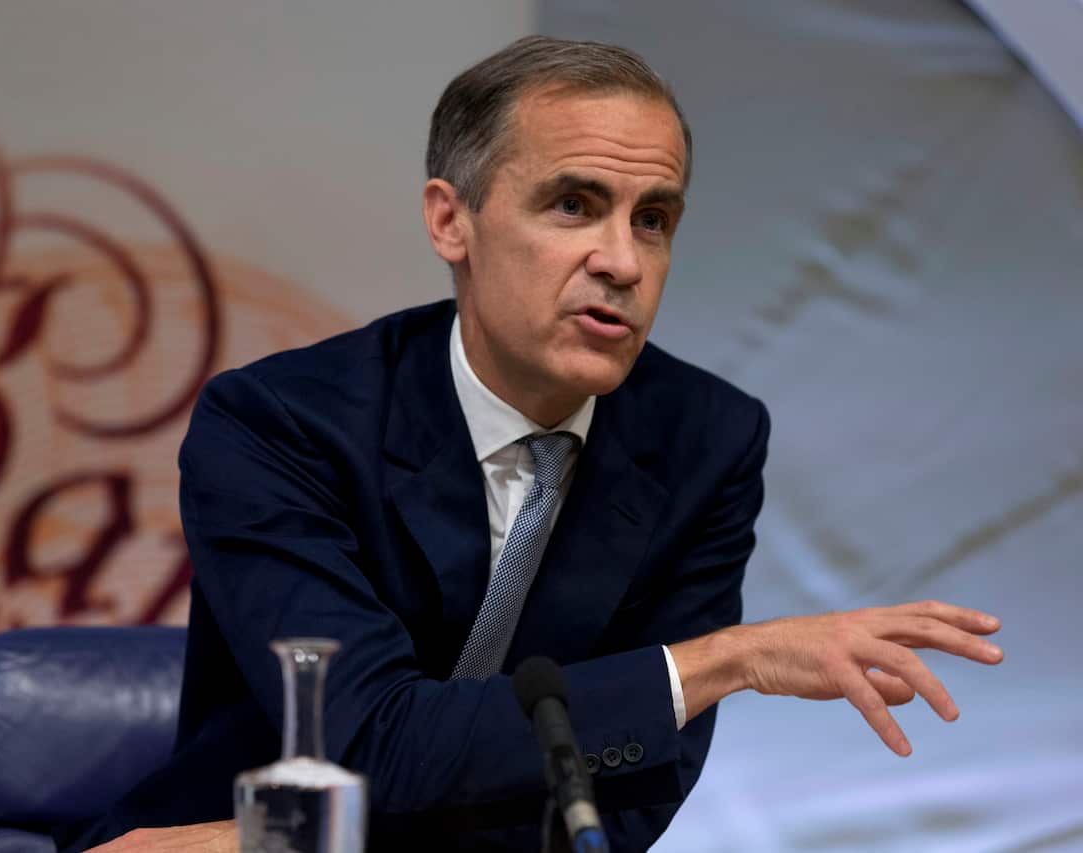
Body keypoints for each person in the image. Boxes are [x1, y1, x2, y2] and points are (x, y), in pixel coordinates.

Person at [62, 35, 1002, 852]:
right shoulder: (281, 424)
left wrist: (280, 841)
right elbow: (372, 741)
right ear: (451, 221)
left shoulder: (707, 440)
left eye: (653, 219)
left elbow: (627, 798)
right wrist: (727, 659)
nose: (622, 261)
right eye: (573, 205)